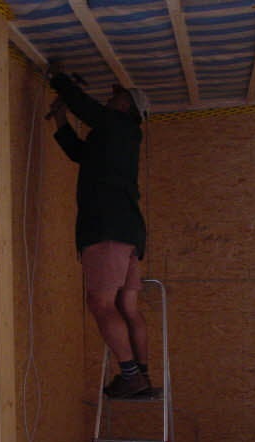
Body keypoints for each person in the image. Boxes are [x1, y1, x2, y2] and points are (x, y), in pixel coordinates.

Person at [48, 71, 150, 398]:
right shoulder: (116, 137)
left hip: (106, 228)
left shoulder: (117, 125)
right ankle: (141, 374)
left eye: (117, 95)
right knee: (127, 306)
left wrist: (58, 79)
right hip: (127, 232)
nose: (111, 96)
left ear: (126, 105)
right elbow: (79, 153)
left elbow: (86, 107)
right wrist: (61, 119)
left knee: (101, 303)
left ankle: (131, 376)